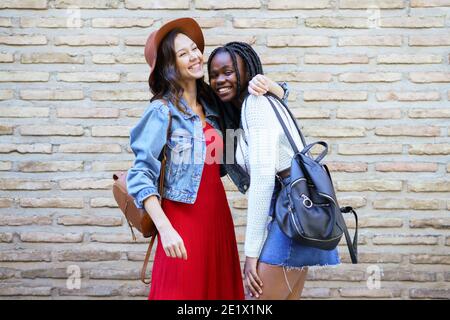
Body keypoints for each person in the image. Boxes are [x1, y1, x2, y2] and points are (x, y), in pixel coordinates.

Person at [126, 18, 282, 300]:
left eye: (195, 48)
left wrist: (273, 86)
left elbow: (261, 106)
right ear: (168, 67)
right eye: (183, 53)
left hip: (217, 218)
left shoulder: (213, 105)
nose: (196, 56)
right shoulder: (162, 112)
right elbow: (139, 175)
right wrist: (166, 229)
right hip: (181, 224)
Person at [207, 42, 340, 300]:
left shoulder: (255, 105)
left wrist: (251, 255)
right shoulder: (242, 114)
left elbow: (263, 182)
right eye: (214, 75)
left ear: (248, 73)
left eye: (228, 71)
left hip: (290, 213)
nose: (220, 80)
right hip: (295, 211)